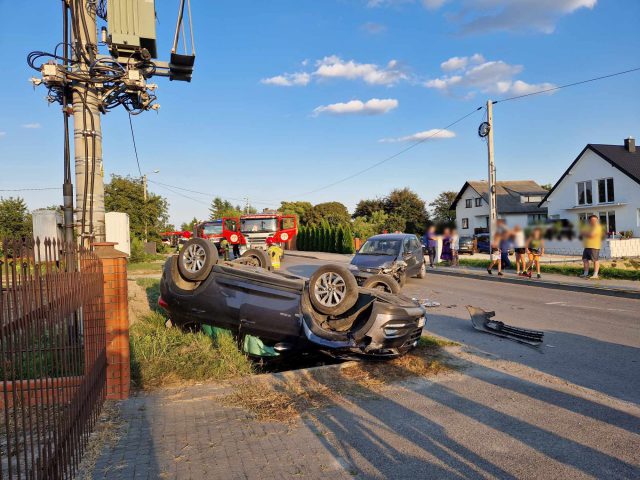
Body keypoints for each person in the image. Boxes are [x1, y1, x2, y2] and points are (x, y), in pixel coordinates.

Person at [580, 215, 603, 279]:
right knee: (585, 259)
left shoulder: (597, 227)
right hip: (587, 246)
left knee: (595, 260)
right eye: (592, 220)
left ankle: (595, 275)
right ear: (589, 221)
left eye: (595, 220)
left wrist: (585, 233)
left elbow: (591, 235)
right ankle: (586, 273)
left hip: (594, 246)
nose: (594, 221)